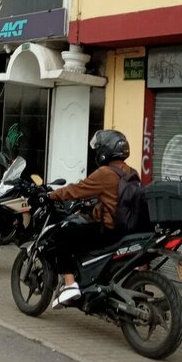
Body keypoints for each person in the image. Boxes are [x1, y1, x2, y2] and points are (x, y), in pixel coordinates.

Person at [46, 129, 136, 309]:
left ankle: (70, 284)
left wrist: (51, 195)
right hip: (127, 229)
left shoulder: (105, 173)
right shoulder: (131, 172)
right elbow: (117, 200)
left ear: (106, 150)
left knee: (62, 235)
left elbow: (77, 189)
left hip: (109, 231)